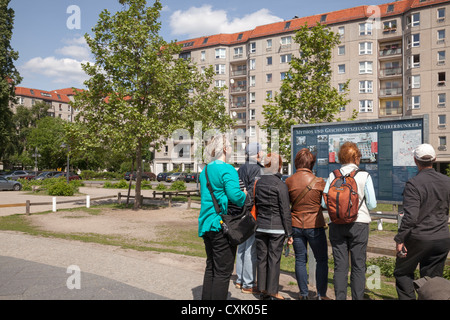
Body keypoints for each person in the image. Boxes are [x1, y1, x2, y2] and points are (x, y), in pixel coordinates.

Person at [393, 143, 450, 300]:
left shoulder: (414, 183)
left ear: (415, 160)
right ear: (435, 159)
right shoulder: (447, 181)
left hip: (419, 238)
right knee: (432, 281)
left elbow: (410, 217)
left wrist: (400, 239)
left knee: (402, 272)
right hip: (442, 238)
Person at [321, 141, 377, 300]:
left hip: (337, 224)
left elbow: (324, 203)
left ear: (340, 157)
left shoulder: (333, 175)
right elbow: (372, 204)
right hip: (359, 224)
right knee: (359, 266)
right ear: (357, 157)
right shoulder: (364, 175)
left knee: (340, 266)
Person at [198, 134, 247, 300]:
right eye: (231, 146)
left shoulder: (204, 170)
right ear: (225, 149)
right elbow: (235, 196)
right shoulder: (228, 169)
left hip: (206, 223)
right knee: (223, 271)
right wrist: (245, 195)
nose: (232, 149)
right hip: (220, 225)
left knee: (211, 266)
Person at [285, 148, 329, 300]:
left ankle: (303, 294)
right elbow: (324, 204)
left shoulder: (289, 181)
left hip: (296, 225)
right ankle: (321, 294)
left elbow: (287, 204)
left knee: (300, 259)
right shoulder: (319, 181)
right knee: (321, 260)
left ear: (297, 162)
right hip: (315, 225)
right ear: (312, 163)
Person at [252, 153, 293, 300]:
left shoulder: (258, 182)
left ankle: (262, 289)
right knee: (274, 259)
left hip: (260, 226)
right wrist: (289, 233)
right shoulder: (280, 185)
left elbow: (251, 202)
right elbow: (285, 210)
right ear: (279, 166)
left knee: (261, 258)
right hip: (277, 228)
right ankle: (272, 291)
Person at [234, 142, 264, 294]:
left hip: (240, 211)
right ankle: (248, 283)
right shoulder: (257, 168)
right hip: (251, 211)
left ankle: (239, 280)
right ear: (257, 153)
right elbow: (254, 191)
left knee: (242, 246)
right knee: (251, 248)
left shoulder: (242, 168)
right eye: (261, 150)